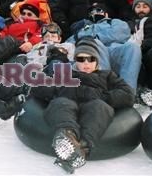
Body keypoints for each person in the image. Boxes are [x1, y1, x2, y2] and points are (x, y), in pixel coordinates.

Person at [31, 39, 134, 173]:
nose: (86, 63)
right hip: (68, 103)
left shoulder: (107, 75)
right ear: (75, 60)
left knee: (100, 107)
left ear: (96, 61)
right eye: (81, 59)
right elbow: (39, 86)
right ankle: (68, 137)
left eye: (91, 59)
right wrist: (61, 89)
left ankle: (81, 148)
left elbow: (127, 94)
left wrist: (101, 96)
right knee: (61, 103)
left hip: (94, 104)